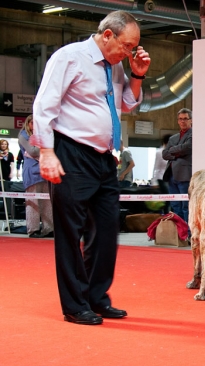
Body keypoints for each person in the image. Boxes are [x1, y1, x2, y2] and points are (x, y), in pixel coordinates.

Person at [33, 10, 151, 325]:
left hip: (104, 157)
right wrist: (47, 151)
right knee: (71, 232)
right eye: (127, 47)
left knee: (107, 228)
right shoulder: (68, 58)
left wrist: (136, 75)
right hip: (70, 152)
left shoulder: (114, 66)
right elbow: (44, 106)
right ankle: (74, 304)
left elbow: (125, 104)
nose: (129, 53)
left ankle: (96, 297)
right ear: (108, 35)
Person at [18, 115, 54, 238]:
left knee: (47, 203)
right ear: (28, 123)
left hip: (45, 171)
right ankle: (33, 230)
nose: (34, 125)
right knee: (32, 202)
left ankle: (48, 229)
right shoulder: (23, 135)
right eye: (32, 122)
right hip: (31, 172)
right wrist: (45, 147)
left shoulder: (43, 135)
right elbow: (32, 151)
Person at [163, 108, 193, 223]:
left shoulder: (194, 134)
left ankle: (188, 234)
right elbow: (165, 154)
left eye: (185, 119)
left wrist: (172, 150)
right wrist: (176, 154)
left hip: (185, 176)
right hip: (171, 175)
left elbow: (187, 147)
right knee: (175, 206)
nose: (182, 121)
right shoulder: (173, 138)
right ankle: (178, 233)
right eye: (180, 119)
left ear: (191, 120)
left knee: (186, 206)